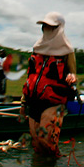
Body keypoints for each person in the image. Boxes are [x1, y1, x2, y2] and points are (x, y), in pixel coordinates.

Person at [19, 12, 77, 158]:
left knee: (47, 141)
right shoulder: (37, 48)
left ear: (58, 28)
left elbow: (72, 72)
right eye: (45, 26)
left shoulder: (67, 51)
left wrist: (72, 77)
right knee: (37, 144)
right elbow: (30, 76)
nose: (46, 29)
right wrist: (23, 103)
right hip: (33, 100)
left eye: (50, 26)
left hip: (53, 103)